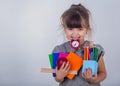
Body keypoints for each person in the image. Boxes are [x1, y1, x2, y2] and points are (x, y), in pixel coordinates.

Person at [52, 3, 107, 86]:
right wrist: (59, 77)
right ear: (65, 29)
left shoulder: (94, 50)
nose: (75, 33)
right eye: (70, 29)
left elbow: (103, 73)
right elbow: (57, 78)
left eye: (80, 29)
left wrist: (93, 79)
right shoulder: (59, 50)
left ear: (87, 29)